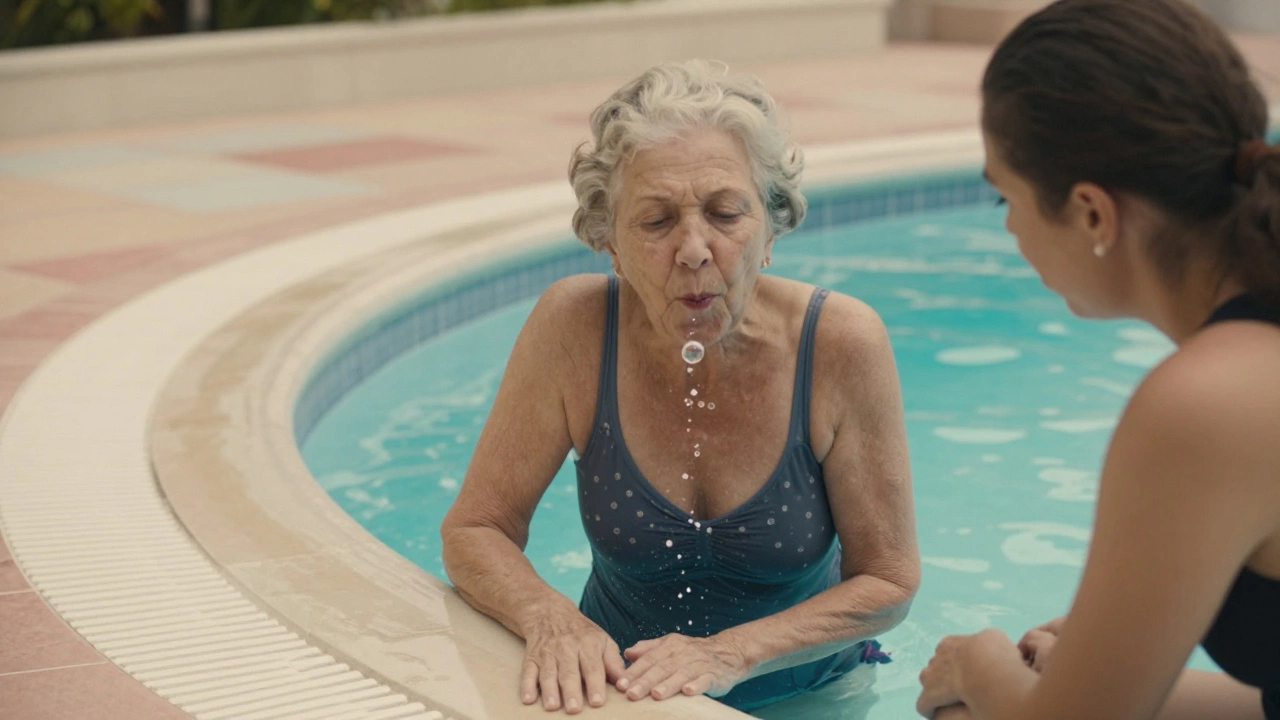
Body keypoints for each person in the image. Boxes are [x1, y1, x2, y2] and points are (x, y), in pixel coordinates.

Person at [441, 60, 920, 715]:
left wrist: (730, 652)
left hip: (810, 695)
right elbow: (475, 528)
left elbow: (887, 581)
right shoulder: (574, 328)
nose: (694, 249)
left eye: (726, 213)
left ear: (772, 226)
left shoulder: (841, 343)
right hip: (616, 694)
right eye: (656, 221)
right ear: (609, 242)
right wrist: (549, 617)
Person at [915, 1, 1280, 718]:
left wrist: (978, 662)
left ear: (1091, 212)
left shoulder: (1207, 402)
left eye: (1004, 199)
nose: (1012, 228)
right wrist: (1104, 662)